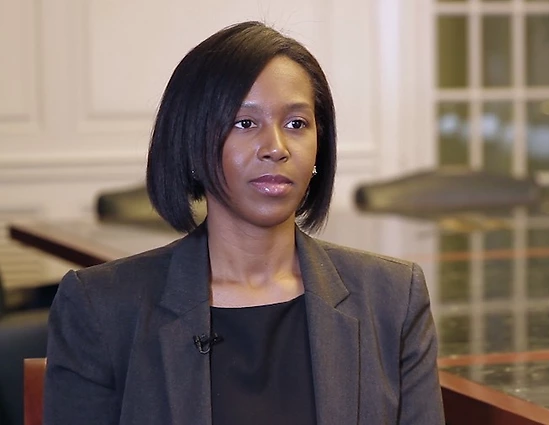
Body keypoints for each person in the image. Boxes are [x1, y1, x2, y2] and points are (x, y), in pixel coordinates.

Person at [43, 21, 445, 425]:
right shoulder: (101, 308)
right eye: (245, 123)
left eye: (296, 124)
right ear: (192, 141)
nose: (276, 148)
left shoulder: (393, 299)